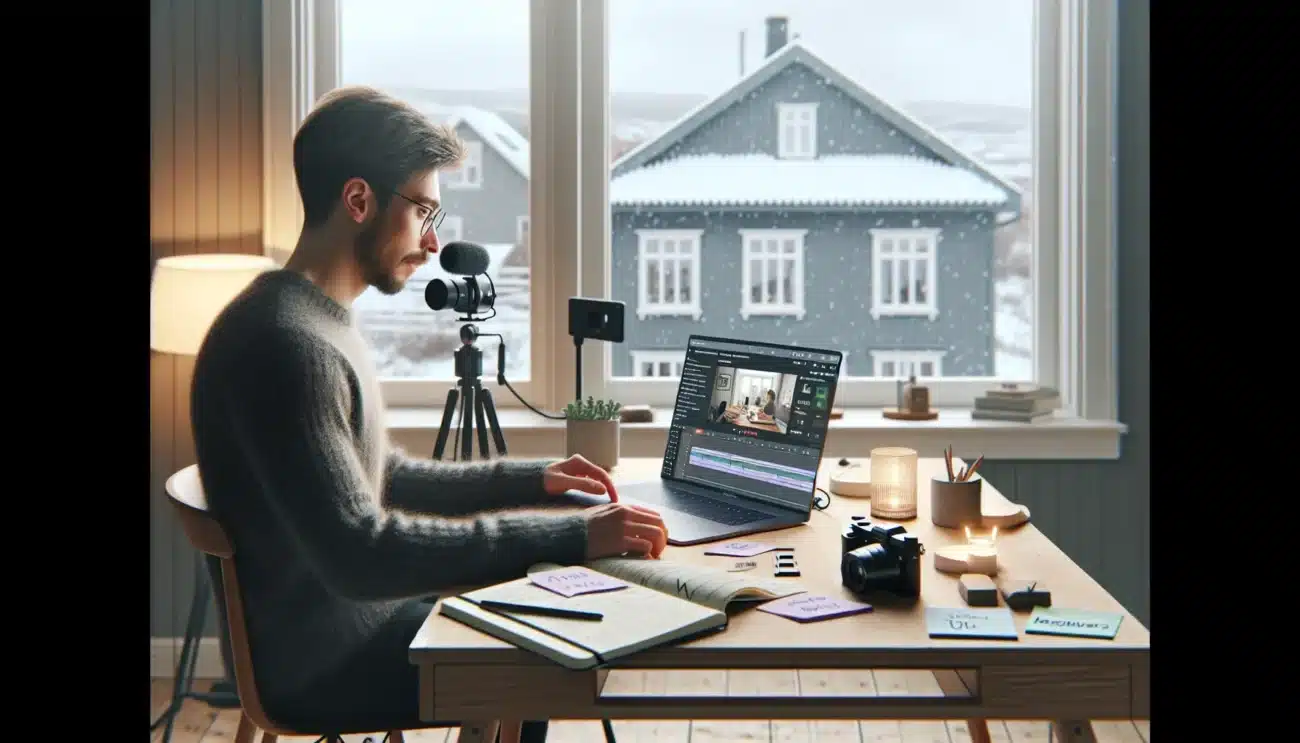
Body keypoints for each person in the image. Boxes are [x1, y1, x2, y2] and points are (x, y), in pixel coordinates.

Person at [189, 85, 669, 742]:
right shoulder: (285, 346)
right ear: (359, 200)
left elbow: (379, 475)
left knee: (543, 614)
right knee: (549, 649)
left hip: (356, 627)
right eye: (422, 210)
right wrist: (576, 536)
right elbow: (364, 553)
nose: (435, 239)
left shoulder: (311, 320)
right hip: (328, 667)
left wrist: (537, 479)